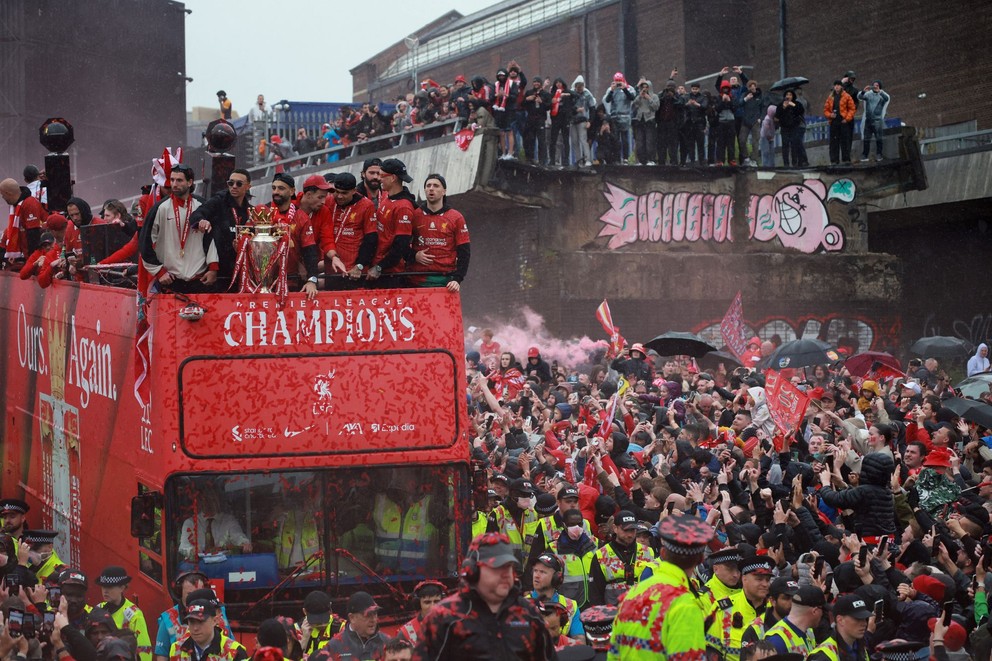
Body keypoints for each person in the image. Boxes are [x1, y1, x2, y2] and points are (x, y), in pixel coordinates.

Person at [412, 533, 556, 660]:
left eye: (509, 567)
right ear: (472, 571)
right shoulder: (445, 617)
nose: (506, 573)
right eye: (497, 568)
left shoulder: (528, 614)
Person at [608, 514, 714, 660]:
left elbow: (613, 653)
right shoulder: (684, 604)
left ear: (663, 552)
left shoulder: (633, 593)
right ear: (700, 560)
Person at [139, 165, 218, 293]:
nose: (174, 184)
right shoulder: (160, 208)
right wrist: (159, 272)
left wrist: (213, 268)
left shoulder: (202, 206)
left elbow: (211, 238)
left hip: (199, 280)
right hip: (170, 281)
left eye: (179, 180)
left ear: (190, 182)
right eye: (172, 180)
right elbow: (144, 242)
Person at [252, 173, 321, 297]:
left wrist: (312, 280)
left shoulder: (301, 217)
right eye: (274, 188)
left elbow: (310, 251)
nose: (276, 192)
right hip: (263, 282)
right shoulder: (263, 213)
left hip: (292, 281)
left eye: (281, 188)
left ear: (292, 191)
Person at [191, 168, 252, 289]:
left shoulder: (250, 210)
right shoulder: (218, 201)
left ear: (248, 186)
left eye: (239, 184)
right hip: (218, 272)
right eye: (230, 183)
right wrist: (201, 221)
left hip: (241, 270)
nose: (234, 186)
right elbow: (196, 214)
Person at [409, 173, 470, 291]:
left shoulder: (456, 217)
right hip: (416, 282)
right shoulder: (414, 215)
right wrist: (414, 256)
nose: (431, 188)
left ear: (444, 191)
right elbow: (401, 244)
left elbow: (464, 252)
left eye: (436, 186)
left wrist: (457, 279)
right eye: (428, 185)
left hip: (445, 283)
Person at [588, 511, 654, 607]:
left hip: (641, 612)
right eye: (625, 530)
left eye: (633, 530)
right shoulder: (601, 555)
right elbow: (595, 593)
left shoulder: (648, 552)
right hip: (612, 614)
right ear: (615, 528)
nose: (630, 534)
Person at [366, 158, 415, 285]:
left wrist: (380, 267)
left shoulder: (403, 207)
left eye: (382, 175)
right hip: (377, 265)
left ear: (393, 178)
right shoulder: (386, 196)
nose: (379, 179)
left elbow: (401, 244)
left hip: (390, 273)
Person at [177, 487, 251, 561]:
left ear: (217, 500)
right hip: (197, 567)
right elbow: (183, 547)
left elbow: (238, 536)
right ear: (199, 502)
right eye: (204, 500)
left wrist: (244, 543)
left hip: (225, 565)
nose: (208, 503)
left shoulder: (228, 520)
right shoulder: (190, 523)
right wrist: (191, 550)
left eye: (211, 499)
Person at [97, 566, 153, 661]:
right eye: (103, 586)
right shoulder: (98, 609)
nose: (105, 591)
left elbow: (144, 650)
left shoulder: (134, 614)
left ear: (122, 588)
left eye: (110, 587)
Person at [312, 592, 387, 661]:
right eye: (368, 615)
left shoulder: (386, 642)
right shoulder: (334, 646)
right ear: (352, 617)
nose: (373, 619)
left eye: (375, 614)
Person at [527, 553, 584, 641]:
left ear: (557, 577)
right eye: (535, 571)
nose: (536, 575)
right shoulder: (520, 604)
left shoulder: (571, 606)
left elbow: (580, 642)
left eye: (542, 572)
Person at [168, 599, 247, 661]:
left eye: (200, 622)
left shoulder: (234, 651)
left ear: (215, 621)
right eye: (192, 622)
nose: (195, 628)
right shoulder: (176, 649)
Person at [806, 594, 872, 661]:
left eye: (864, 618)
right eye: (857, 619)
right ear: (840, 620)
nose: (864, 623)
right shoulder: (822, 656)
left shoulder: (860, 647)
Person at [761, 585, 823, 656]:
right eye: (822, 610)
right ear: (815, 611)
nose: (822, 614)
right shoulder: (777, 640)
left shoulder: (808, 631)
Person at [0, 177, 46, 266]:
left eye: (3, 195)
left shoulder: (29, 203)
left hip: (34, 258)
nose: (3, 197)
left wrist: (31, 261)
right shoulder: (16, 206)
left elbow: (33, 234)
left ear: (8, 193)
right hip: (26, 256)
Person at [397, 580, 445, 647]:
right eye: (427, 602)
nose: (433, 607)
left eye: (436, 601)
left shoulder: (453, 626)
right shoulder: (406, 633)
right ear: (418, 604)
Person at [299, 590, 343, 657]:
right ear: (305, 612)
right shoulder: (295, 630)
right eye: (316, 621)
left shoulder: (342, 627)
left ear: (330, 609)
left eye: (324, 619)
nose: (322, 624)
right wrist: (304, 638)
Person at [603, 72, 635, 163]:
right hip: (614, 117)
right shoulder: (611, 89)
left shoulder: (629, 88)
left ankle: (625, 157)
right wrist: (612, 90)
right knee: (615, 139)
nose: (618, 83)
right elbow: (607, 100)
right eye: (616, 81)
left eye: (619, 81)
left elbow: (632, 98)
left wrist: (625, 89)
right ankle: (616, 158)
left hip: (625, 116)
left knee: (625, 139)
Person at [823, 80, 856, 165]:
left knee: (845, 142)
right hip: (834, 122)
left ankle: (846, 159)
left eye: (838, 85)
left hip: (843, 122)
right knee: (834, 142)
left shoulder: (846, 96)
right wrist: (830, 115)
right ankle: (834, 160)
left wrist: (847, 119)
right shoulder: (830, 97)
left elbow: (852, 109)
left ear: (841, 86)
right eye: (835, 85)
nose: (837, 87)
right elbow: (825, 110)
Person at [858, 81, 890, 162]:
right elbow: (860, 97)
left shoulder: (882, 95)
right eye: (874, 85)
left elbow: (887, 99)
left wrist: (880, 92)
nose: (875, 87)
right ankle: (865, 155)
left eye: (877, 85)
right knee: (866, 138)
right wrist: (863, 91)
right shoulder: (869, 94)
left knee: (879, 138)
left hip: (877, 120)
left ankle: (879, 154)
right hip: (868, 120)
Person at [522, 77, 550, 165]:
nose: (536, 84)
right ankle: (530, 158)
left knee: (541, 140)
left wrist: (542, 102)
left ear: (540, 83)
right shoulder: (529, 92)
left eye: (538, 82)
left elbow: (549, 106)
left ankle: (542, 160)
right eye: (534, 82)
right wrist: (527, 99)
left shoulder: (545, 94)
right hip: (530, 119)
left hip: (540, 119)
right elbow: (522, 105)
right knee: (530, 139)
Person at [631, 78, 659, 165]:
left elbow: (656, 107)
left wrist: (649, 98)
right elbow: (634, 105)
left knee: (649, 141)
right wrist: (640, 96)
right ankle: (641, 160)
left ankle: (651, 159)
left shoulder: (654, 96)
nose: (645, 89)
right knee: (640, 141)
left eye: (646, 87)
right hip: (640, 120)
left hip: (649, 120)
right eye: (643, 87)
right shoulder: (639, 96)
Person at [570, 75, 596, 167]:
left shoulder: (587, 94)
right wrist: (576, 110)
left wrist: (590, 121)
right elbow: (568, 107)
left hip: (583, 120)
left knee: (583, 140)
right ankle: (579, 161)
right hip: (572, 121)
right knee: (574, 141)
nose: (580, 89)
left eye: (581, 86)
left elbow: (592, 108)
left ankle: (588, 159)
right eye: (578, 87)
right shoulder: (571, 93)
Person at [775, 91, 805, 168]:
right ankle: (786, 164)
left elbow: (801, 111)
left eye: (790, 95)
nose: (788, 96)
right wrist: (783, 107)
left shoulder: (797, 104)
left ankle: (794, 162)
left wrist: (793, 105)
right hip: (784, 127)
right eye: (787, 95)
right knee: (785, 146)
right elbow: (777, 116)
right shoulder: (781, 104)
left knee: (794, 145)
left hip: (794, 127)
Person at [682, 82, 708, 165]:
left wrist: (697, 104)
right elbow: (681, 106)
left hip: (699, 123)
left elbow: (705, 107)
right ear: (691, 89)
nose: (694, 91)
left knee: (700, 143)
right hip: (689, 123)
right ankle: (692, 161)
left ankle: (702, 162)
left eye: (696, 89)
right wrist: (687, 104)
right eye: (693, 89)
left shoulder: (703, 97)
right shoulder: (686, 96)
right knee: (690, 144)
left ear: (699, 89)